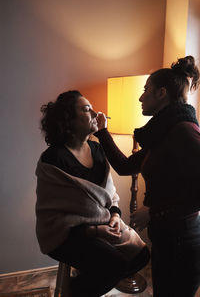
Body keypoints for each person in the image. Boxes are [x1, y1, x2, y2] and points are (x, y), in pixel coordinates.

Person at [95, 55, 200, 297]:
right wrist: (102, 132)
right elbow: (123, 166)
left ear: (161, 93)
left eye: (146, 91)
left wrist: (154, 211)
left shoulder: (184, 131)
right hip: (167, 236)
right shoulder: (163, 133)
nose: (141, 97)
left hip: (183, 240)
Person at [35, 90, 150, 297]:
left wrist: (114, 215)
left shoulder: (97, 149)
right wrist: (95, 231)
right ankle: (76, 292)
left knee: (141, 255)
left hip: (103, 224)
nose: (96, 112)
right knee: (114, 264)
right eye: (87, 109)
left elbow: (110, 193)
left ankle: (83, 284)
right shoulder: (53, 158)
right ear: (68, 119)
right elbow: (55, 215)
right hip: (65, 234)